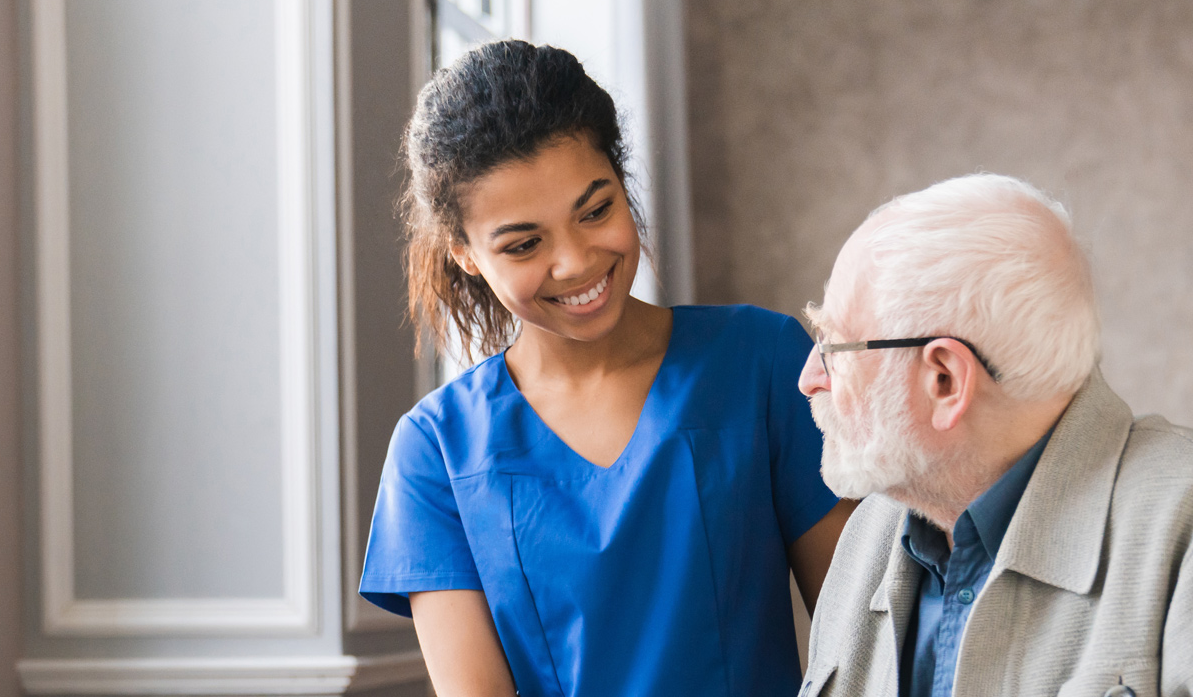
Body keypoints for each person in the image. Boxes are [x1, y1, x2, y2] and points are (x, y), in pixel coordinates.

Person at [357, 40, 853, 697]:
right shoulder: (435, 451)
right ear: (466, 254)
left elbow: (860, 644)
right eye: (525, 243)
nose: (577, 262)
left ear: (623, 183)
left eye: (596, 210)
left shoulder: (764, 362)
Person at [796, 174, 1193, 697]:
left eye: (834, 346)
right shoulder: (871, 532)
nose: (809, 378)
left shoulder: (1180, 534)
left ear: (946, 381)